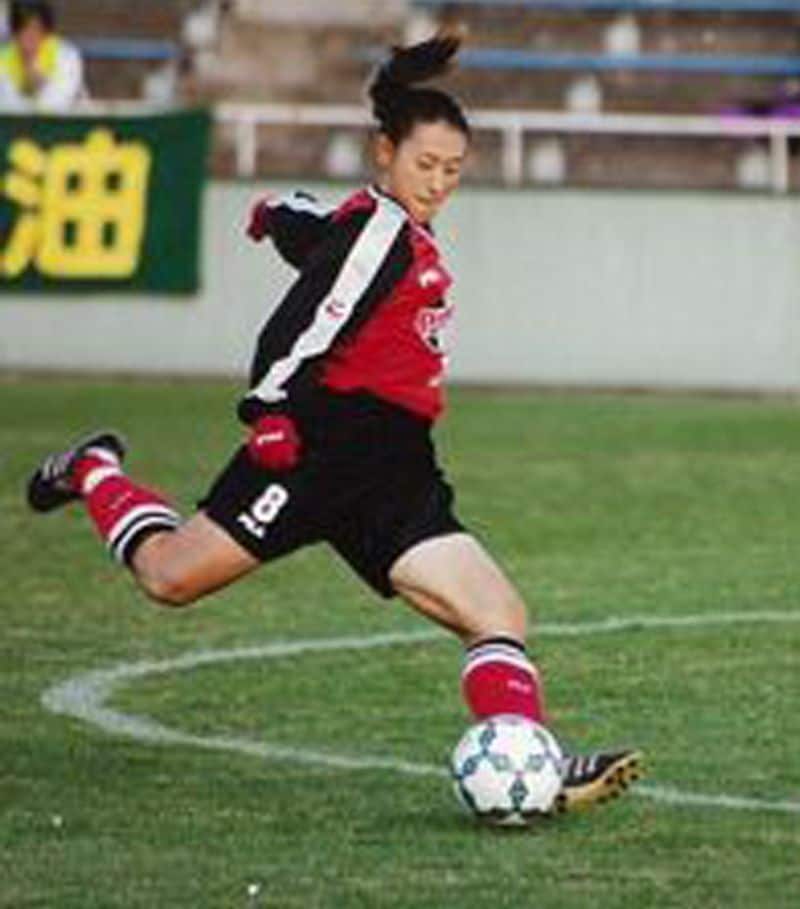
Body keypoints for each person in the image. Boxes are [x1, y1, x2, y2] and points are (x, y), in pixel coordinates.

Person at [26, 33, 642, 815]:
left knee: (498, 612)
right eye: (426, 164)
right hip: (315, 450)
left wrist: (278, 213)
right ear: (385, 152)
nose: (439, 183)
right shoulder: (380, 234)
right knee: (169, 577)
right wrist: (269, 413)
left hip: (395, 466)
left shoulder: (387, 228)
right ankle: (94, 469)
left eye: (454, 170)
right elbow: (298, 327)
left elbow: (319, 230)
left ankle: (537, 768)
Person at [0, 1, 86, 111]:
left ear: (47, 32)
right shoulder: (4, 58)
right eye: (23, 30)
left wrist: (38, 80)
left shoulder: (66, 56)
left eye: (36, 29)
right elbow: (7, 106)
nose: (29, 37)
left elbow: (58, 104)